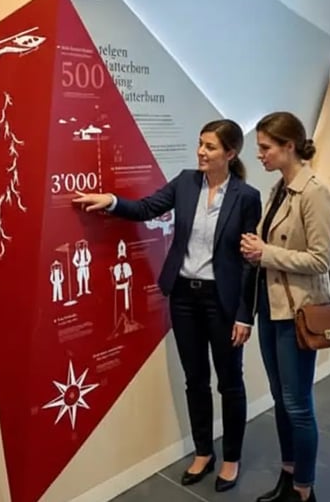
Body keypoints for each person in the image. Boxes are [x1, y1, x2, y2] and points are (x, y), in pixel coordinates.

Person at [73, 119, 261, 492]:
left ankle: (232, 458)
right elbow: (145, 208)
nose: (201, 152)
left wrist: (245, 315)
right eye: (200, 144)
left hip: (222, 302)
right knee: (195, 381)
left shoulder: (247, 196)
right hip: (184, 298)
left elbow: (249, 261)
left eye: (209, 147)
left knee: (230, 383)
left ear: (230, 153)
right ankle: (204, 451)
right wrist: (109, 201)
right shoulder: (186, 182)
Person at [240, 112, 330, 502]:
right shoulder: (279, 188)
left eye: (265, 147)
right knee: (282, 401)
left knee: (297, 405)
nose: (259, 155)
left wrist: (266, 253)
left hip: (297, 312)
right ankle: (288, 478)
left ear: (288, 146)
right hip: (271, 307)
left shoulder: (314, 191)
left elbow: (320, 259)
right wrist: (255, 252)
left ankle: (303, 491)